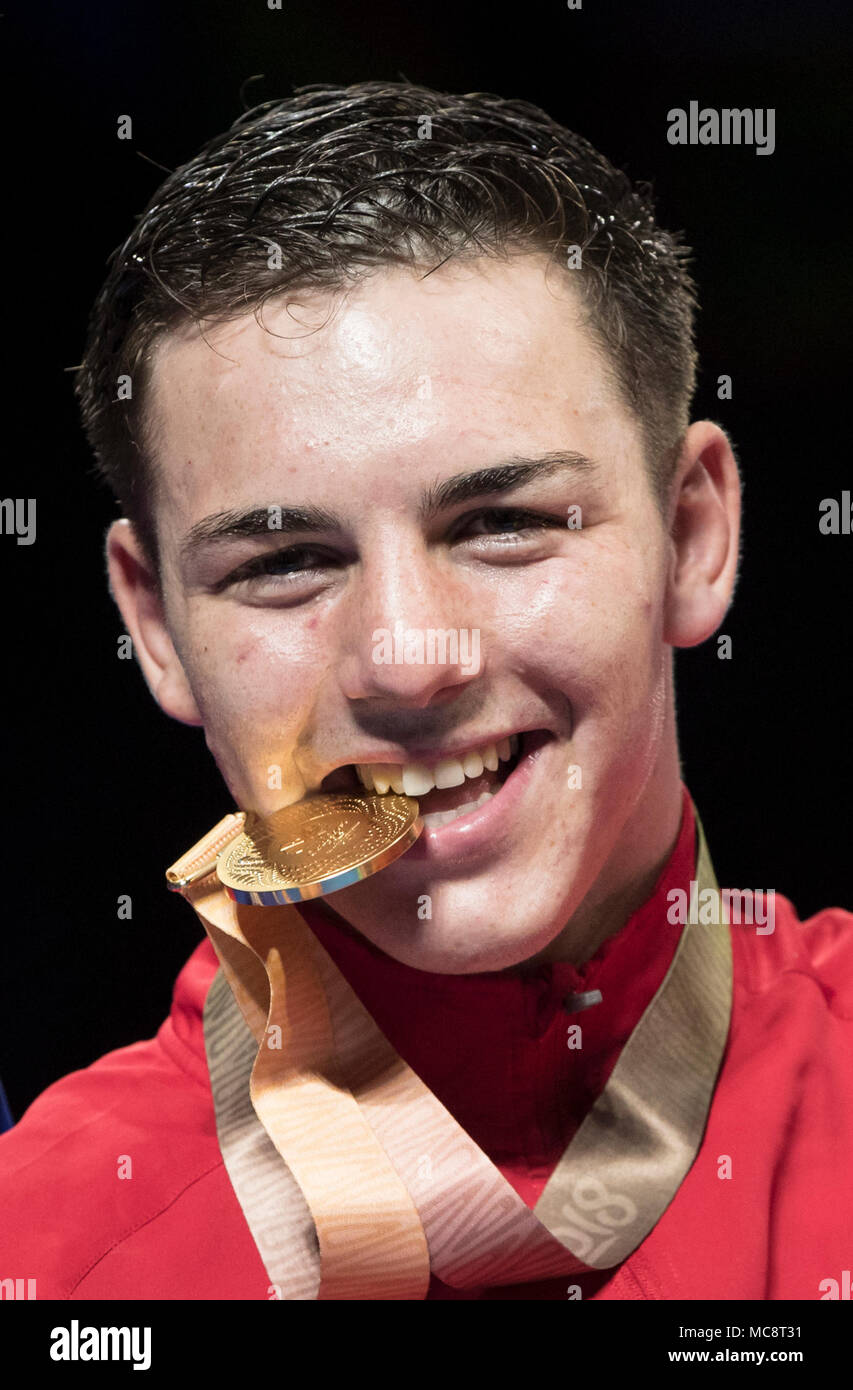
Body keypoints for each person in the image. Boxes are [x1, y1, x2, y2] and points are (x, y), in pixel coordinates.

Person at [1, 80, 850, 1302]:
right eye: (286, 561)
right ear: (158, 628)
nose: (405, 657)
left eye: (500, 522)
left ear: (692, 533)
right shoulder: (42, 1254)